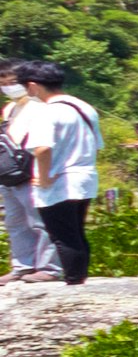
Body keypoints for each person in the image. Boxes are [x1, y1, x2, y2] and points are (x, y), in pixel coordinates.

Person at [8, 61, 102, 285]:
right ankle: (79, 277)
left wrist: (44, 175)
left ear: (32, 86)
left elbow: (42, 147)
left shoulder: (47, 112)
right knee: (77, 233)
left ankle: (72, 281)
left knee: (63, 236)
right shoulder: (84, 107)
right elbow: (96, 144)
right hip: (85, 178)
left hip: (59, 181)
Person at [1, 68, 48, 280]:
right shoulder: (10, 108)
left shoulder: (40, 104)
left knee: (39, 222)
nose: (9, 85)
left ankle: (47, 268)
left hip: (32, 171)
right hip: (9, 173)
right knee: (15, 222)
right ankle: (23, 266)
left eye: (13, 80)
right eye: (4, 81)